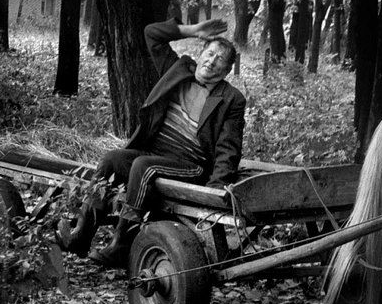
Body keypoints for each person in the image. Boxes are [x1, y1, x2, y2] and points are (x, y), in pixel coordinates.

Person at [57, 18, 246, 267]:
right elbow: (151, 33)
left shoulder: (231, 98)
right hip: (154, 151)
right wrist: (192, 30)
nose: (211, 61)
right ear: (200, 54)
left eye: (219, 59)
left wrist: (213, 191)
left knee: (143, 166)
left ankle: (122, 246)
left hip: (191, 164)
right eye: (209, 54)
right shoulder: (178, 69)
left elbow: (228, 148)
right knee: (111, 160)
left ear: (227, 70)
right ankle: (81, 235)